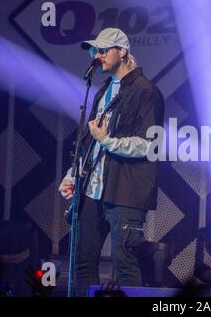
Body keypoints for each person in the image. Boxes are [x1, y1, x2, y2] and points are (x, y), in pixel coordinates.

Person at [58, 28, 164, 296]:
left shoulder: (146, 91)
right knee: (82, 262)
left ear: (123, 52)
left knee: (126, 265)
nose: (97, 55)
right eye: (95, 50)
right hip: (93, 189)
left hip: (125, 192)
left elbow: (148, 144)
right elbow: (89, 141)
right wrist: (73, 175)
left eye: (104, 50)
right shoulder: (103, 91)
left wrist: (109, 141)